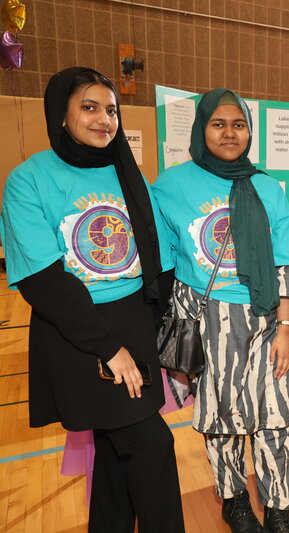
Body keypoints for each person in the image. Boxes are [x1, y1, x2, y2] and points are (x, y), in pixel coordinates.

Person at [0, 67, 184, 532]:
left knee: (116, 452)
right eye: (89, 107)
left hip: (134, 325)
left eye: (112, 110)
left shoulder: (126, 171)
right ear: (60, 114)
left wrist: (161, 328)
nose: (105, 119)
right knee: (151, 444)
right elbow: (44, 281)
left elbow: (157, 256)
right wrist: (109, 348)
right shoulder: (29, 180)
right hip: (79, 336)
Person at [153, 89, 289, 533]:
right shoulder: (171, 185)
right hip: (209, 318)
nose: (229, 133)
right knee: (221, 420)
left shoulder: (266, 186)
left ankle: (278, 508)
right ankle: (234, 501)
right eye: (218, 124)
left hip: (267, 319)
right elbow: (161, 256)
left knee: (275, 417)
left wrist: (285, 327)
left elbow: (287, 258)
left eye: (238, 124)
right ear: (202, 130)